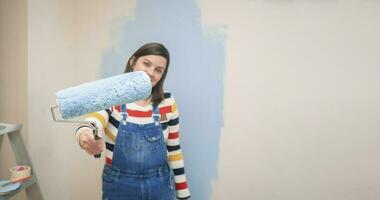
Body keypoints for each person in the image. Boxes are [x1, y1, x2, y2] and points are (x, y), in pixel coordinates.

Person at [75, 43, 191, 200]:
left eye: (158, 70)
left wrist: (183, 196)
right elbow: (93, 121)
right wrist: (85, 135)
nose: (151, 73)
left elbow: (174, 150)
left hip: (160, 185)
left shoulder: (168, 103)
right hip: (118, 185)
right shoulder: (112, 96)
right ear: (133, 62)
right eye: (146, 64)